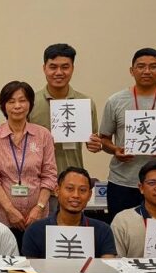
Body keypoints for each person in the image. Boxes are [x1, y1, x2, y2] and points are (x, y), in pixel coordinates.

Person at [96, 48, 156, 217]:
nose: (147, 71)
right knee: (121, 228)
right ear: (131, 70)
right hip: (123, 181)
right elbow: (103, 140)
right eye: (141, 66)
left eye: (153, 66)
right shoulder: (115, 101)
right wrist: (115, 150)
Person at [0, 81, 58, 241]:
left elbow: (49, 175)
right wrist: (10, 210)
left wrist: (39, 208)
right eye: (11, 101)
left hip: (37, 216)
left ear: (30, 104)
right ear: (3, 106)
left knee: (36, 255)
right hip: (3, 216)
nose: (17, 106)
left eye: (22, 100)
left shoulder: (43, 135)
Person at [27, 43, 102, 180]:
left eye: (65, 67)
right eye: (53, 67)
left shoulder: (86, 103)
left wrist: (96, 145)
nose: (59, 72)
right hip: (38, 180)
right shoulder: (30, 103)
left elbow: (93, 142)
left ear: (73, 68)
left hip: (73, 180)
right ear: (44, 68)